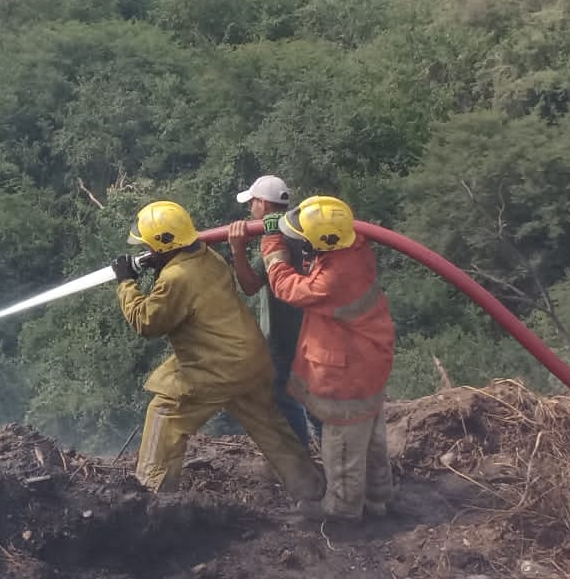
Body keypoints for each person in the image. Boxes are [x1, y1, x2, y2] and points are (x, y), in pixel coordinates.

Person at [111, 199, 325, 501]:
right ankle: (312, 491)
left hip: (217, 367)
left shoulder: (176, 278)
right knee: (271, 428)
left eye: (148, 246)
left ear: (162, 245)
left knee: (165, 413)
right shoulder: (206, 255)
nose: (145, 252)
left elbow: (147, 322)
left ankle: (150, 497)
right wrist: (159, 264)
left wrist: (125, 284)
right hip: (248, 359)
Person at [260, 195, 395, 521]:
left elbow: (286, 287)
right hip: (368, 363)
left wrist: (272, 241)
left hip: (348, 375)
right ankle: (378, 500)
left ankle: (343, 511)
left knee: (344, 445)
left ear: (320, 242)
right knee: (370, 440)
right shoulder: (354, 245)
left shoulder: (332, 278)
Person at [227, 175, 318, 450]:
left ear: (263, 204)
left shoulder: (277, 236)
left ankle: (301, 459)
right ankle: (333, 460)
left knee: (285, 396)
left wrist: (237, 250)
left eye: (252, 203)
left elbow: (250, 285)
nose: (250, 209)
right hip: (314, 332)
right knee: (313, 397)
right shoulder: (303, 229)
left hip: (283, 335)